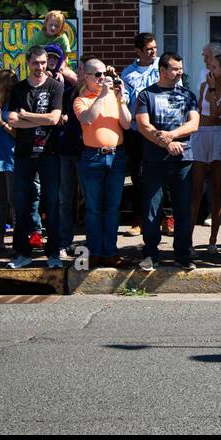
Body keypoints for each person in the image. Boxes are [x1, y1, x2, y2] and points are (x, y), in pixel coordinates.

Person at [135, 52, 200, 270]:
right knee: (152, 207)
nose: (178, 72)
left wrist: (171, 136)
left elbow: (194, 124)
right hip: (155, 159)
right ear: (162, 70)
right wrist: (165, 143)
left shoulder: (188, 95)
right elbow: (144, 125)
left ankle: (182, 254)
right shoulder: (146, 95)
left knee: (183, 208)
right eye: (174, 69)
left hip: (183, 158)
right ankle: (151, 254)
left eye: (180, 68)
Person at [7, 46, 65, 270]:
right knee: (21, 204)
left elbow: (54, 119)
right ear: (28, 63)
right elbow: (12, 120)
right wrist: (40, 119)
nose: (40, 67)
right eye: (35, 62)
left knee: (52, 204)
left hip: (49, 154)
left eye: (43, 62)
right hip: (23, 154)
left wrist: (27, 116)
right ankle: (22, 253)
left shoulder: (55, 87)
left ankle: (53, 254)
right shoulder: (19, 89)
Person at [74, 58, 133, 268]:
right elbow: (88, 118)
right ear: (86, 77)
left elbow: (126, 123)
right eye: (97, 75)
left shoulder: (114, 97)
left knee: (112, 208)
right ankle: (95, 251)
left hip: (116, 157)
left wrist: (122, 98)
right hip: (92, 158)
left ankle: (110, 251)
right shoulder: (82, 99)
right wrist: (103, 95)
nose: (102, 78)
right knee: (93, 208)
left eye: (103, 74)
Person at [191, 53, 221, 254]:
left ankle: (213, 240)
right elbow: (202, 113)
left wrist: (212, 89)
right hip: (202, 134)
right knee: (196, 189)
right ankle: (188, 239)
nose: (212, 70)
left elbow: (218, 111)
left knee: (217, 189)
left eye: (216, 67)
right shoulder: (203, 86)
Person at [121, 32, 160, 235]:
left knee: (162, 172)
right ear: (138, 51)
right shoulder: (128, 73)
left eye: (155, 47)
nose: (153, 51)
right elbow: (125, 102)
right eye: (148, 49)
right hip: (137, 131)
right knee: (138, 174)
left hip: (160, 129)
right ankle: (139, 218)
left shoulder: (163, 67)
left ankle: (166, 217)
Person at [49, 45, 83, 259]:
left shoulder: (81, 89)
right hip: (63, 149)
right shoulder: (56, 88)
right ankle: (63, 241)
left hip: (87, 150)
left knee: (91, 199)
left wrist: (69, 75)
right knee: (64, 198)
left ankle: (93, 243)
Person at [0, 68, 17, 256]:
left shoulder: (14, 104)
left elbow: (16, 133)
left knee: (14, 200)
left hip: (11, 157)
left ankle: (18, 239)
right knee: (1, 200)